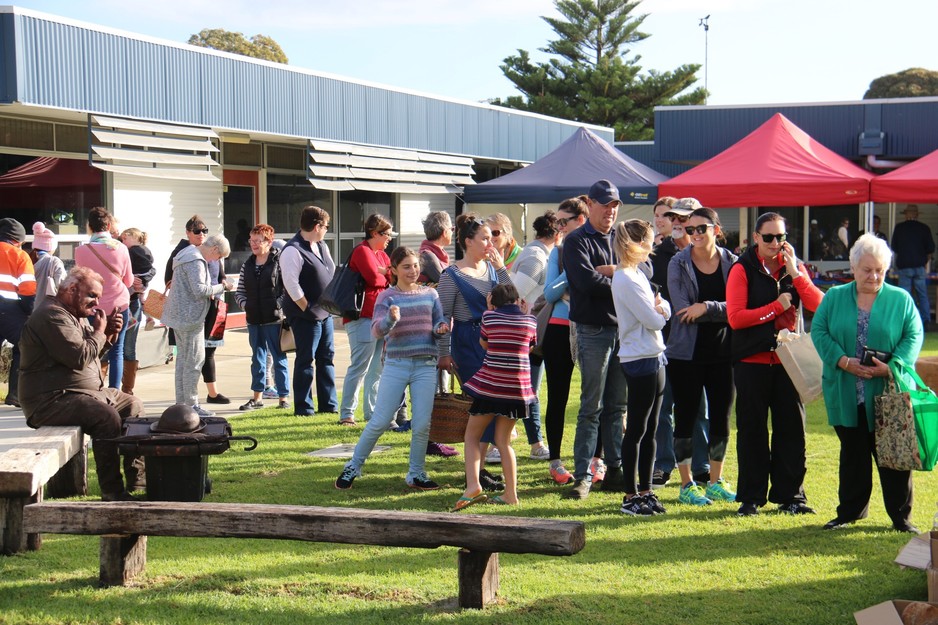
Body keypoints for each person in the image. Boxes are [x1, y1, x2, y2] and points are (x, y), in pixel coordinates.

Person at [812, 233, 923, 532]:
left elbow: (914, 336)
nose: (873, 276)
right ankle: (849, 512)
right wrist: (842, 360)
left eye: (880, 270)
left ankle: (901, 518)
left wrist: (892, 367)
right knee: (852, 455)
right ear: (854, 267)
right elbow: (819, 331)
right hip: (846, 391)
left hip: (888, 393)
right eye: (867, 269)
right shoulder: (834, 297)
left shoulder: (901, 300)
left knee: (892, 457)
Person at [727, 212, 825, 517]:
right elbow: (736, 318)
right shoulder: (742, 269)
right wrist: (775, 308)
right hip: (752, 361)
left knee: (792, 429)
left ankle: (791, 496)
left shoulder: (791, 269)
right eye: (768, 237)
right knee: (752, 430)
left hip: (788, 362)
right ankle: (751, 498)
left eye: (780, 237)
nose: (774, 243)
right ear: (756, 238)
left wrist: (797, 273)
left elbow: (818, 305)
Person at [18, 266, 144, 501]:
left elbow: (90, 356)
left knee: (132, 405)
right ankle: (112, 491)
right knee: (105, 417)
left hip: (82, 393)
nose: (96, 302)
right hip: (50, 399)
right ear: (72, 289)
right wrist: (99, 331)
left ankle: (138, 480)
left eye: (98, 297)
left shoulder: (73, 314)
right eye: (92, 295)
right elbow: (78, 358)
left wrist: (109, 336)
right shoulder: (51, 315)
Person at [335, 247, 450, 490]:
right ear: (394, 270)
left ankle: (416, 473)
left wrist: (441, 327)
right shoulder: (387, 297)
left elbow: (439, 321)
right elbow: (375, 330)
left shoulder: (431, 294)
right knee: (380, 420)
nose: (413, 271)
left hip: (425, 366)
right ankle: (353, 466)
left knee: (421, 424)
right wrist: (390, 320)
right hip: (397, 364)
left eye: (415, 266)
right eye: (406, 266)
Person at [665, 206, 738, 507]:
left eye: (701, 228)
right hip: (686, 355)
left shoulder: (733, 263)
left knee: (721, 418)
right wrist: (719, 311)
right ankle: (686, 485)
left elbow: (737, 308)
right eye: (689, 229)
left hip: (724, 353)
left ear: (716, 231)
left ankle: (715, 481)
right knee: (684, 418)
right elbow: (683, 311)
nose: (694, 234)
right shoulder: (677, 264)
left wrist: (707, 307)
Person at [562, 179, 627, 500]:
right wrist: (623, 276)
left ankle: (615, 470)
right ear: (590, 204)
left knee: (617, 406)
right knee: (591, 406)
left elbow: (645, 272)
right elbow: (586, 282)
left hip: (622, 331)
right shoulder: (575, 241)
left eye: (615, 205)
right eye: (606, 205)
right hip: (593, 331)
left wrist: (613, 270)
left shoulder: (621, 237)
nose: (611, 211)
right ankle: (583, 475)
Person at [437, 214, 514, 479]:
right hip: (468, 343)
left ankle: (480, 470)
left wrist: (502, 268)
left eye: (492, 236)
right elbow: (443, 316)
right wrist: (444, 353)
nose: (490, 242)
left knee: (494, 405)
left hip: (494, 343)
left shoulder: (492, 269)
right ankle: (477, 471)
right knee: (482, 404)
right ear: (468, 241)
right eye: (484, 237)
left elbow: (512, 299)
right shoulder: (451, 275)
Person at [453, 283, 537, 510]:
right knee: (503, 441)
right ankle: (511, 493)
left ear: (493, 301)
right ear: (518, 300)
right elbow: (529, 348)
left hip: (491, 387)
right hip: (517, 390)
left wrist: (489, 310)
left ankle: (473, 486)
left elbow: (484, 343)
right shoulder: (530, 321)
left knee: (472, 436)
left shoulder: (489, 318)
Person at [650, 199, 711, 488]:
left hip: (697, 345)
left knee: (698, 407)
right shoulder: (656, 256)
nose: (676, 222)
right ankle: (664, 463)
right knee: (663, 407)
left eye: (682, 218)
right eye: (672, 217)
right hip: (663, 344)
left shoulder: (708, 259)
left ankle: (701, 465)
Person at [612, 220, 670, 516]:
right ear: (637, 244)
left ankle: (646, 490)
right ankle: (630, 494)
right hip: (639, 358)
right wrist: (662, 309)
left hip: (655, 354)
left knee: (651, 429)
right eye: (649, 241)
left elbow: (659, 310)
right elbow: (655, 319)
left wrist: (661, 309)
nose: (653, 246)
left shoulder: (637, 274)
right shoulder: (625, 278)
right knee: (636, 428)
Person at [502, 211, 558, 462]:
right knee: (527, 391)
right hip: (525, 335)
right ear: (556, 233)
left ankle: (511, 441)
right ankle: (533, 443)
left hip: (529, 333)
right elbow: (513, 295)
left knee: (527, 390)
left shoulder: (537, 253)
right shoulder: (536, 257)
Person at [541, 197, 588, 484]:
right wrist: (573, 272)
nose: (558, 227)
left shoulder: (597, 247)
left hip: (591, 328)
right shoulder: (558, 253)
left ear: (580, 220)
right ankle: (555, 461)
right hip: (558, 330)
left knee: (593, 398)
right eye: (557, 221)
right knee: (557, 397)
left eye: (563, 221)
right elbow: (548, 294)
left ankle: (596, 459)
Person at [161, 233, 232, 417]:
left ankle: (181, 405)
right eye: (219, 257)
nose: (216, 260)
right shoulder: (196, 260)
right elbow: (199, 289)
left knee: (183, 361)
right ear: (215, 249)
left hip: (179, 315)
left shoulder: (186, 253)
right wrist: (223, 287)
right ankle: (191, 406)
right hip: (190, 317)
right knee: (194, 361)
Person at [279, 205, 338, 416]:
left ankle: (328, 404)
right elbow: (291, 284)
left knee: (326, 357)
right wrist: (307, 308)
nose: (326, 230)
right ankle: (304, 408)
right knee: (306, 360)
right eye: (326, 226)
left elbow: (329, 272)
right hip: (305, 315)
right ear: (316, 225)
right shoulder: (292, 249)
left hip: (324, 313)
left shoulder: (321, 246)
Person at [338, 214, 394, 426]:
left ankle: (371, 412)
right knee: (360, 366)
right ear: (374, 233)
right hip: (361, 316)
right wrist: (384, 274)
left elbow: (393, 277)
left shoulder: (382, 255)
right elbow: (374, 278)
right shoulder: (362, 251)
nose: (389, 238)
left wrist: (386, 273)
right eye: (386, 233)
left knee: (378, 367)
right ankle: (347, 414)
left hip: (381, 316)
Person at [74, 207, 133, 390]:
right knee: (117, 351)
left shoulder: (81, 251)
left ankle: (92, 387)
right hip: (119, 305)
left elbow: (80, 281)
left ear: (89, 227)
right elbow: (129, 280)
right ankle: (115, 392)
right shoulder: (121, 249)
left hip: (92, 307)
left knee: (93, 348)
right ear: (108, 225)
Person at [235, 224, 290, 411]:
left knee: (278, 357)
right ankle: (257, 398)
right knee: (257, 359)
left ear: (269, 241)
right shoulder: (248, 264)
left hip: (274, 319)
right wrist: (246, 306)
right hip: (254, 319)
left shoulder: (279, 262)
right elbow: (240, 291)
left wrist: (278, 305)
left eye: (258, 241)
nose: (254, 244)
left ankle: (283, 398)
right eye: (251, 240)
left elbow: (287, 288)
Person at [0, 218, 34, 407]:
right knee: (25, 346)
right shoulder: (19, 255)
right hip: (11, 311)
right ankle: (15, 393)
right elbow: (28, 290)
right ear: (18, 240)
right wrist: (28, 312)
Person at [118, 227, 155, 395]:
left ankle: (126, 388)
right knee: (127, 346)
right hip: (132, 297)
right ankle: (127, 389)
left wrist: (142, 279)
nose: (122, 242)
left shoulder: (133, 250)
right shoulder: (138, 249)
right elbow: (151, 269)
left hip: (130, 297)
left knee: (126, 346)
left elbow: (148, 270)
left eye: (124, 238)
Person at [891, 204, 935, 325]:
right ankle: (925, 320)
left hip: (904, 267)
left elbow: (894, 247)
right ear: (917, 215)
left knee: (904, 295)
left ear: (906, 215)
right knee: (922, 295)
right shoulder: (924, 228)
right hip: (920, 267)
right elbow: (931, 248)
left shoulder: (899, 228)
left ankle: (905, 320)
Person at [30, 222, 66, 309]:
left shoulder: (27, 260)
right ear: (51, 247)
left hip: (29, 312)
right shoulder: (54, 262)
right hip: (48, 312)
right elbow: (63, 287)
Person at [418, 211, 452, 285]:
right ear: (445, 232)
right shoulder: (428, 256)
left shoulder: (434, 253)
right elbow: (447, 283)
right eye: (452, 229)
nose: (452, 232)